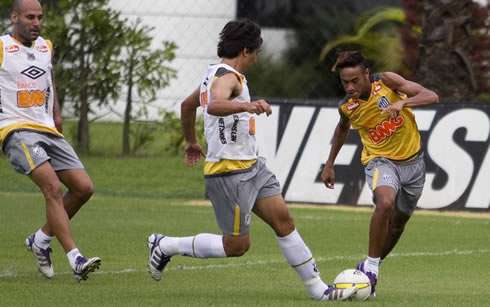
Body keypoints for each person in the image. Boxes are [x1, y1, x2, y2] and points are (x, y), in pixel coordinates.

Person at [147, 18, 356, 301]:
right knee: (237, 246)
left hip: (252, 166)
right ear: (246, 50)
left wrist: (191, 141)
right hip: (229, 173)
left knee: (284, 221)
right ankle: (165, 245)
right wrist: (249, 105)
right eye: (256, 52)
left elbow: (187, 106)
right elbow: (214, 105)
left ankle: (319, 290)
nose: (257, 58)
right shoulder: (228, 77)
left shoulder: (215, 73)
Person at [321, 51, 439, 297]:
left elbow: (431, 96)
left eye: (355, 80)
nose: (350, 87)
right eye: (345, 82)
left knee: (398, 224)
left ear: (366, 74)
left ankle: (369, 269)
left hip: (414, 163)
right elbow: (342, 128)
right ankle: (372, 269)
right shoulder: (347, 106)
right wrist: (329, 164)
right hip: (380, 161)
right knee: (385, 203)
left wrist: (402, 102)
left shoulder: (386, 81)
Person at [0, 0, 101, 281]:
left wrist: (55, 114)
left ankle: (41, 240)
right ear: (14, 17)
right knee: (53, 187)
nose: (36, 23)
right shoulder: (1, 47)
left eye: (40, 17)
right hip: (15, 130)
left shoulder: (46, 47)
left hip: (47, 129)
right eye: (30, 17)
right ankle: (76, 258)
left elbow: (49, 79)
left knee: (83, 188)